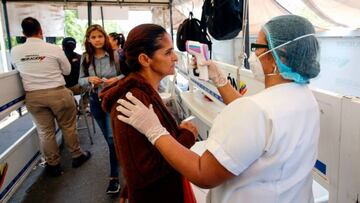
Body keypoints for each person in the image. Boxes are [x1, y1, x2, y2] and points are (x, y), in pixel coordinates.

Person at [116, 15, 321, 203]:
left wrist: (155, 131)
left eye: (257, 46)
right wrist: (220, 79)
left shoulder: (257, 110)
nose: (254, 53)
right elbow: (253, 117)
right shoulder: (305, 98)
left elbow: (203, 173)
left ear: (279, 55)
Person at [100, 24, 198, 203]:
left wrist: (128, 187)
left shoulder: (145, 92)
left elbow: (135, 157)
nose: (175, 58)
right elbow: (142, 172)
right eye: (168, 53)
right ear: (145, 59)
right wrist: (187, 136)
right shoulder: (133, 100)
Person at [10, 17, 91, 177]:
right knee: (68, 126)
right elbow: (67, 71)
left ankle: (53, 165)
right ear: (41, 31)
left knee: (45, 132)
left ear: (23, 33)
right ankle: (77, 156)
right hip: (58, 93)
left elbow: (17, 67)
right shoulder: (53, 49)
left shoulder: (15, 51)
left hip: (33, 96)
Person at [78, 24, 121, 194]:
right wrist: (89, 79)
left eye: (100, 36)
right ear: (88, 40)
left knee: (111, 139)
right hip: (95, 101)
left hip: (113, 100)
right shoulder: (85, 58)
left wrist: (114, 80)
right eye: (93, 37)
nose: (97, 40)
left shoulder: (115, 55)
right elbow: (79, 80)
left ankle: (114, 178)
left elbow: (126, 75)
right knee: (110, 139)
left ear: (105, 37)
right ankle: (120, 157)